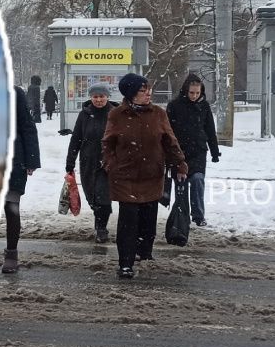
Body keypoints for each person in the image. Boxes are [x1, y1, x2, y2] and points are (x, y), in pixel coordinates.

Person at [102, 73, 187, 279]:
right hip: (125, 176)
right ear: (131, 93)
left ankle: (144, 252)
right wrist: (111, 164)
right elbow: (107, 144)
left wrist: (180, 163)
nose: (148, 94)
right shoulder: (117, 115)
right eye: (142, 90)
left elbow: (170, 141)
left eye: (149, 90)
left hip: (151, 175)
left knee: (148, 220)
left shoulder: (158, 114)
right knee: (128, 221)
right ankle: (125, 263)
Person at [0, 85, 41, 276]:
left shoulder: (14, 93)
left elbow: (27, 127)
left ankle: (11, 254)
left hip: (12, 160)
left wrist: (31, 160)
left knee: (11, 208)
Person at [166, 73, 221, 227]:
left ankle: (198, 215)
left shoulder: (204, 106)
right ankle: (182, 214)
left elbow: (210, 129)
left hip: (198, 150)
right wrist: (167, 152)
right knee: (181, 184)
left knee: (197, 179)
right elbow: (168, 131)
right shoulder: (174, 106)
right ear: (186, 90)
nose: (194, 96)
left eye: (197, 93)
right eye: (192, 92)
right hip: (178, 152)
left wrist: (215, 151)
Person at [65, 83, 113, 243]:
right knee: (92, 196)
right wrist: (70, 162)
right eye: (95, 97)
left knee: (103, 196)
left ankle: (101, 228)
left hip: (108, 164)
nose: (98, 100)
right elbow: (76, 139)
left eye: (102, 96)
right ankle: (99, 219)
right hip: (88, 162)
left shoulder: (114, 114)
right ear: (91, 97)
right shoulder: (85, 114)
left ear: (107, 97)